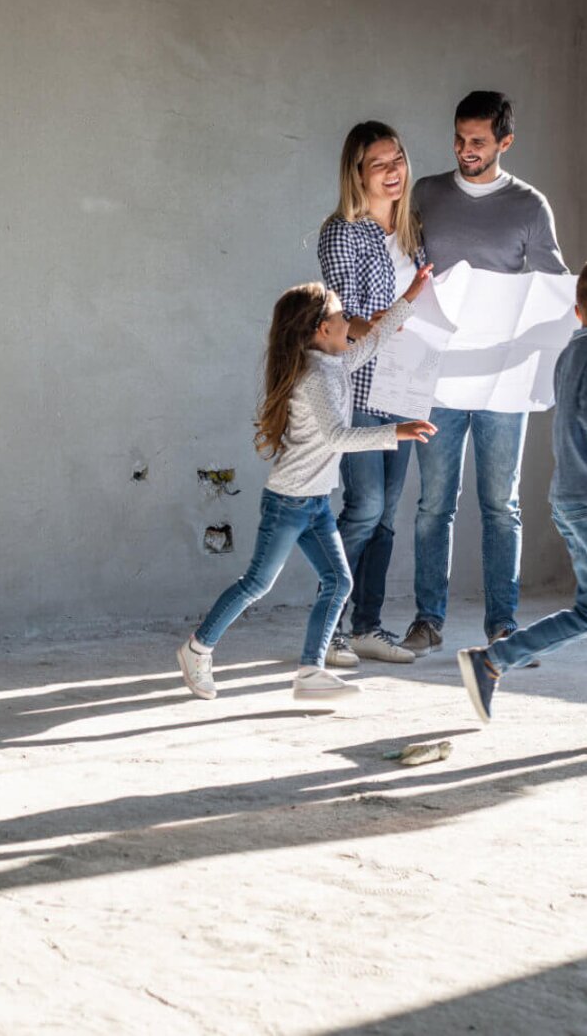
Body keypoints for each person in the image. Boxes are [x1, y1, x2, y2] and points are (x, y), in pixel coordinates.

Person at [176, 270, 436, 703]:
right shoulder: (315, 377)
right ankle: (196, 649)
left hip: (314, 502)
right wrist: (396, 432)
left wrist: (410, 296)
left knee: (338, 581)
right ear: (323, 329)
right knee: (257, 583)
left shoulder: (333, 363)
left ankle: (310, 673)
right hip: (289, 502)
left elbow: (372, 343)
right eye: (341, 315)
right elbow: (336, 437)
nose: (349, 322)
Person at [401, 91, 568, 659]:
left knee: (502, 506)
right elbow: (405, 266)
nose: (464, 151)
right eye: (458, 138)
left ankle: (502, 625)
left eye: (478, 142)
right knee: (432, 505)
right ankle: (428, 621)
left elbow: (553, 286)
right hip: (437, 376)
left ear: (505, 142)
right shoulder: (428, 193)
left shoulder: (528, 205)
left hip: (503, 380)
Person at [457, 261, 587, 720]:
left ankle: (493, 661)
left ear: (577, 310)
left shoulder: (571, 351)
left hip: (569, 495)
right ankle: (491, 660)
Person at [318, 122, 427, 668]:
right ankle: (328, 628)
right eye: (380, 164)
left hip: (404, 386)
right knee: (364, 507)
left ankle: (367, 627)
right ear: (357, 173)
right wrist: (391, 320)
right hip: (360, 385)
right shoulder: (343, 232)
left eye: (398, 160)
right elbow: (344, 321)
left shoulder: (411, 233)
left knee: (386, 516)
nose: (393, 172)